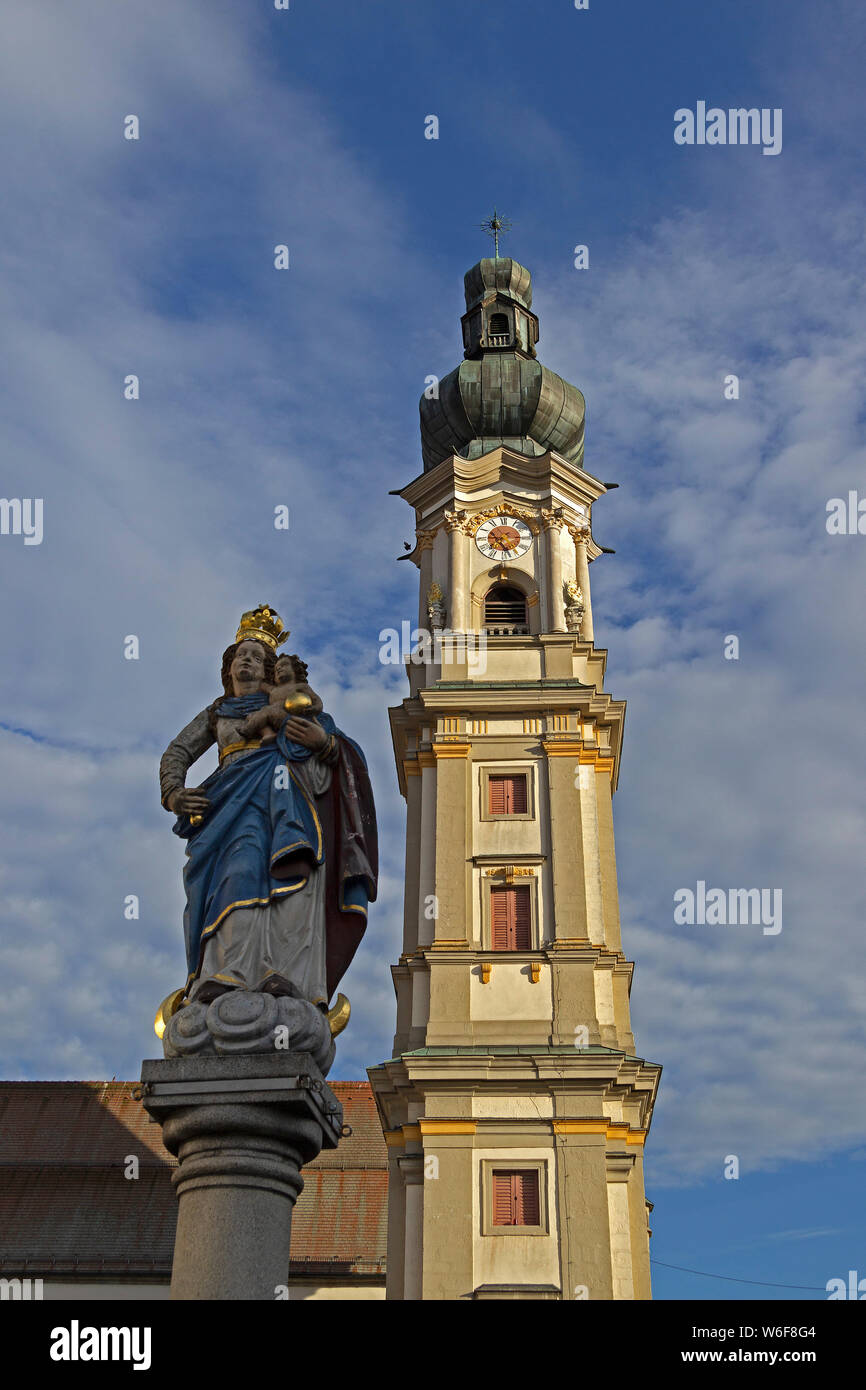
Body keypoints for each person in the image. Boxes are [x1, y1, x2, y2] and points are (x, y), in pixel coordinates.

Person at [159, 606, 377, 1009]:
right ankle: (226, 974)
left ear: (270, 670)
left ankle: (285, 975)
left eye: (257, 657)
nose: (247, 660)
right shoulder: (217, 713)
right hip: (229, 808)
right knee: (236, 874)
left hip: (288, 804)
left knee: (293, 878)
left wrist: (323, 744)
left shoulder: (293, 705)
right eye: (241, 654)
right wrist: (174, 793)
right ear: (228, 668)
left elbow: (338, 750)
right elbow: (177, 752)